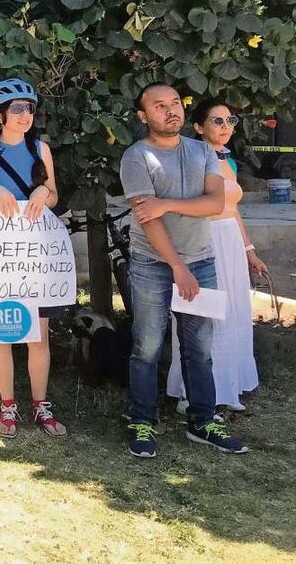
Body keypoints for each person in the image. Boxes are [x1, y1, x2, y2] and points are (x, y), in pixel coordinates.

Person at [120, 82, 248, 457]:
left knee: (199, 349)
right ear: (143, 116)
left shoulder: (203, 151)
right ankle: (142, 422)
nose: (170, 110)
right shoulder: (136, 157)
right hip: (152, 264)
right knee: (147, 346)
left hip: (201, 261)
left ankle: (202, 421)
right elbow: (148, 219)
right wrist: (177, 265)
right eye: (159, 106)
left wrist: (166, 204)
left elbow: (215, 204)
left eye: (175, 103)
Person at [0, 78, 66, 439]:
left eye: (30, 108)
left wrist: (42, 192)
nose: (25, 115)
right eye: (17, 108)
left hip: (34, 257)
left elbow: (53, 195)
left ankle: (41, 405)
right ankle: (7, 407)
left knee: (39, 336)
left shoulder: (41, 150)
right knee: (0, 333)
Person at [166, 99, 265, 412]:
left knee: (233, 310)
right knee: (204, 313)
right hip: (203, 239)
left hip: (230, 241)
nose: (226, 127)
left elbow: (233, 210)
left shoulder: (229, 162)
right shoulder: (191, 160)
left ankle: (228, 385)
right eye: (217, 121)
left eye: (230, 121)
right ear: (198, 127)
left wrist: (249, 251)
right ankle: (191, 393)